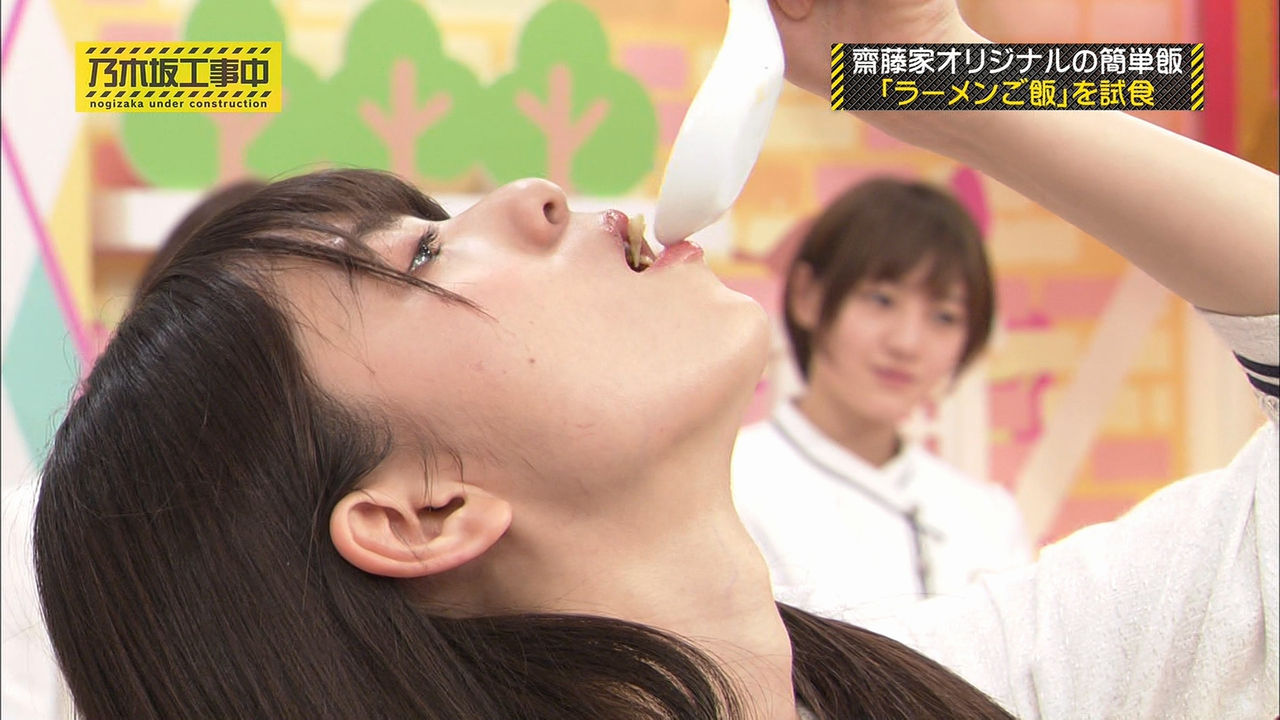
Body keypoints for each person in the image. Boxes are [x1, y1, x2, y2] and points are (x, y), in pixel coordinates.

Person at [32, 1, 1277, 719]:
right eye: (422, 256)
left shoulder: (947, 681)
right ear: (421, 512)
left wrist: (929, 69)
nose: (533, 195)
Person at [733, 177, 1031, 619]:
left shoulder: (988, 517)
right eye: (881, 299)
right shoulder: (728, 487)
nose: (907, 342)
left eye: (944, 316)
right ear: (807, 295)